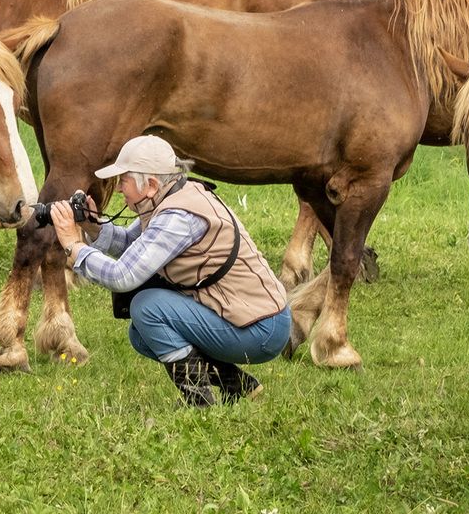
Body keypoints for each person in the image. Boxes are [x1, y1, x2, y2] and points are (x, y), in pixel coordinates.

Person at [50, 135, 290, 407]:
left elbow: (122, 276)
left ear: (150, 185)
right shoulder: (174, 196)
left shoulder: (177, 218)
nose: (119, 189)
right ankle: (236, 384)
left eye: (123, 180)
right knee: (142, 336)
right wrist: (94, 227)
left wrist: (73, 245)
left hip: (262, 329)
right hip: (254, 318)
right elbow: (135, 245)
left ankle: (199, 402)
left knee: (147, 307)